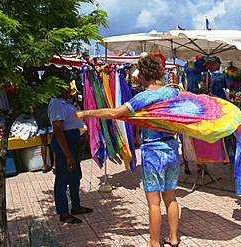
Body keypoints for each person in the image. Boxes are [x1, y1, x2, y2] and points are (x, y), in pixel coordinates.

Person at [73, 55, 180, 247]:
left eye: (138, 75)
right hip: (172, 149)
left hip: (153, 152)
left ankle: (154, 243)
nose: (137, 79)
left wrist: (86, 112)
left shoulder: (142, 97)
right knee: (170, 197)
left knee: (154, 202)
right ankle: (173, 238)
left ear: (144, 75)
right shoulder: (172, 93)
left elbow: (114, 113)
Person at [48, 77, 93, 224]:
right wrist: (68, 155)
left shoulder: (66, 102)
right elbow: (58, 131)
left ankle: (76, 206)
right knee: (62, 178)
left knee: (75, 176)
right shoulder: (56, 104)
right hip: (64, 142)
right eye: (65, 88)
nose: (69, 90)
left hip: (73, 140)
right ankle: (63, 213)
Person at [31, 100, 54, 173]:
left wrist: (37, 120)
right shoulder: (49, 95)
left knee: (44, 143)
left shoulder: (34, 98)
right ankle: (55, 165)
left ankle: (45, 165)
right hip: (50, 119)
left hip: (40, 119)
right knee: (54, 142)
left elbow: (32, 112)